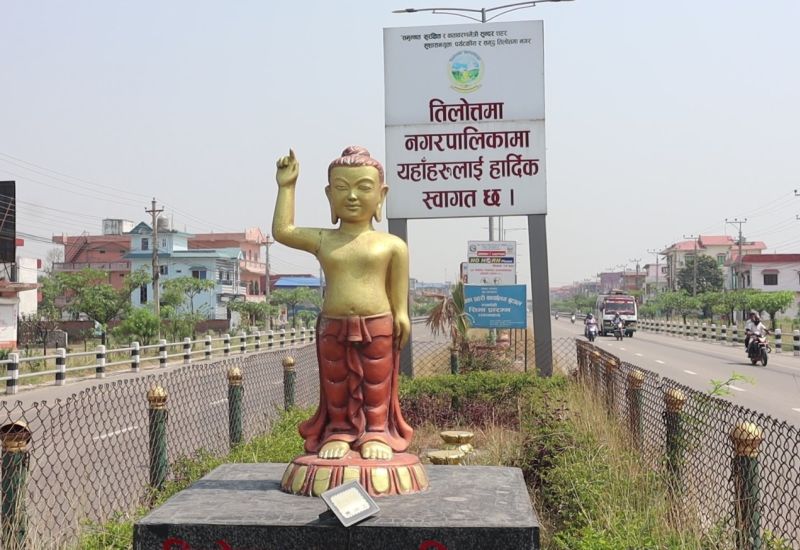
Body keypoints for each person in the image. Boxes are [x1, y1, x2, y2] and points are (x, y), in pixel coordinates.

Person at [273, 146, 412, 461]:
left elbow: (398, 291)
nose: (352, 196)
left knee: (378, 381)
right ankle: (338, 430)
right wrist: (287, 186)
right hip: (332, 324)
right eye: (341, 188)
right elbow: (283, 231)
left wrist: (402, 315)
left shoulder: (392, 245)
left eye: (363, 187)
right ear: (329, 196)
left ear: (381, 195)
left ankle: (376, 432)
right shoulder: (324, 239)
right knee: (335, 382)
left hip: (378, 322)